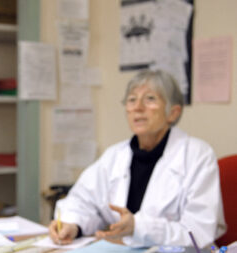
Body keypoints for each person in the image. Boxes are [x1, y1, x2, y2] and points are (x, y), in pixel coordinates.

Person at [49, 70, 226, 248]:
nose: (138, 107)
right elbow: (82, 201)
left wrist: (138, 227)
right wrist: (72, 224)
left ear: (173, 112)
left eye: (150, 99)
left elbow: (199, 231)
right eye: (132, 99)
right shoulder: (114, 155)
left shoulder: (197, 156)